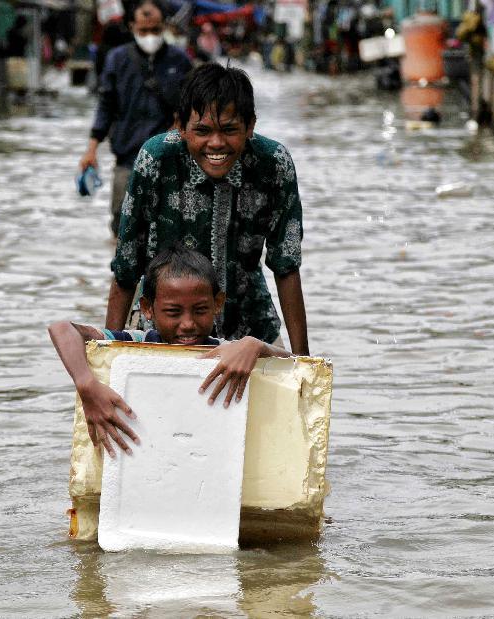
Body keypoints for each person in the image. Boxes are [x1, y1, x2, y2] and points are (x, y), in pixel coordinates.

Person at [105, 63, 310, 356]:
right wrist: (110, 354)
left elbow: (286, 264)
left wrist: (303, 362)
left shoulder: (274, 164)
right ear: (181, 126)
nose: (216, 143)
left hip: (248, 328)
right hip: (163, 325)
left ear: (250, 125)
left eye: (229, 130)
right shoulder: (156, 160)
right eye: (202, 131)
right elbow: (127, 265)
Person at [49, 245, 290, 457]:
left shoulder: (224, 352)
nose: (187, 323)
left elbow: (296, 365)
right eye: (173, 312)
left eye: (200, 310)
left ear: (217, 303)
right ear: (147, 308)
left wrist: (254, 344)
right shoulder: (134, 344)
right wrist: (87, 386)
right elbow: (61, 328)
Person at [79, 0, 193, 237]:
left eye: (156, 30)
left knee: (169, 228)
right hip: (127, 159)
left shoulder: (180, 60)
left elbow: (192, 108)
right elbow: (105, 107)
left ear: (164, 26)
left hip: (169, 161)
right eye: (143, 30)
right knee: (122, 225)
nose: (150, 36)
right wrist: (91, 151)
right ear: (131, 26)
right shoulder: (117, 59)